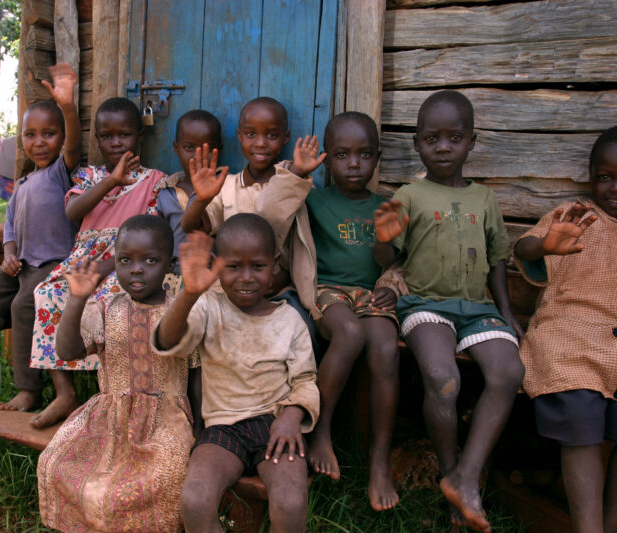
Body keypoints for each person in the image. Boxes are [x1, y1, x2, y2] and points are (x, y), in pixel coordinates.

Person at [373, 90, 525, 533]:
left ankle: (465, 478)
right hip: (425, 305)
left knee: (508, 373)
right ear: (417, 143)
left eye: (454, 138)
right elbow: (385, 259)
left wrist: (505, 311)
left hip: (477, 309)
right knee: (442, 378)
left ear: (472, 141)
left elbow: (498, 259)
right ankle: (450, 468)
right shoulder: (410, 195)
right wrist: (383, 238)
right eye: (432, 139)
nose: (443, 147)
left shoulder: (486, 199)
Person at [154, 214, 319, 533]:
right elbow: (170, 343)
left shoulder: (290, 321)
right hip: (222, 427)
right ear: (215, 264)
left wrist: (291, 416)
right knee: (195, 500)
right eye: (233, 267)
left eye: (257, 266)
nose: (246, 277)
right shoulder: (207, 307)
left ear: (275, 264)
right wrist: (189, 293)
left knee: (290, 503)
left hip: (274, 425)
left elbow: (305, 380)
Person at [37, 215, 199, 533]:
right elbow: (68, 352)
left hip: (165, 422)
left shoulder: (180, 313)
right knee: (56, 462)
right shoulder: (106, 308)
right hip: (108, 418)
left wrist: (202, 431)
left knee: (165, 475)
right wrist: (77, 299)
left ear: (169, 263)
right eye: (125, 260)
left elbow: (197, 375)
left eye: (150, 260)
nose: (136, 269)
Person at [0, 64, 80, 422]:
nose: (39, 142)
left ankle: (29, 389)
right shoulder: (22, 184)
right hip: (21, 265)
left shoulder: (61, 171)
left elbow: (73, 144)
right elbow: (9, 228)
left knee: (26, 305)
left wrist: (67, 106)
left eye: (49, 134)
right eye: (30, 135)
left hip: (54, 264)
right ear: (21, 138)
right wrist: (8, 254)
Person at [29, 97, 168, 428]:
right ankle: (65, 393)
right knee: (47, 293)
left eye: (124, 135)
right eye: (107, 136)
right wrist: (110, 181)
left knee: (107, 300)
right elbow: (72, 213)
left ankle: (109, 392)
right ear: (98, 140)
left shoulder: (155, 181)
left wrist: (110, 267)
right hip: (82, 258)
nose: (116, 142)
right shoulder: (89, 176)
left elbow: (151, 229)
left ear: (140, 137)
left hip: (121, 260)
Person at [513, 126, 617, 533]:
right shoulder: (573, 214)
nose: (613, 187)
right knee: (578, 401)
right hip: (566, 333)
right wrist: (544, 247)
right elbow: (524, 248)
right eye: (604, 176)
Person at [301, 112, 400, 511]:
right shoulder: (315, 199)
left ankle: (379, 459)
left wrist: (385, 240)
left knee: (386, 348)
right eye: (342, 154)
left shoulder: (388, 205)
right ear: (327, 157)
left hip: (371, 292)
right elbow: (276, 214)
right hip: (327, 290)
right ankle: (320, 430)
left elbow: (387, 261)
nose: (354, 164)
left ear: (378, 156)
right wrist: (297, 172)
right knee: (350, 334)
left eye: (364, 154)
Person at [180, 97, 325, 348]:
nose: (260, 143)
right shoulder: (224, 186)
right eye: (250, 133)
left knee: (304, 333)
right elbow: (192, 227)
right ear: (238, 135)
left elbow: (282, 231)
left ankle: (299, 385)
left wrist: (298, 174)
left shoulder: (293, 183)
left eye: (271, 135)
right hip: (230, 289)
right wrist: (201, 200)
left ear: (286, 138)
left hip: (278, 291)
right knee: (202, 335)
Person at [156, 109, 222, 273]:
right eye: (189, 147)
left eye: (207, 149)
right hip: (173, 274)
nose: (197, 156)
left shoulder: (225, 188)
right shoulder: (165, 193)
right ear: (176, 148)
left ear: (219, 149)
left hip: (213, 276)